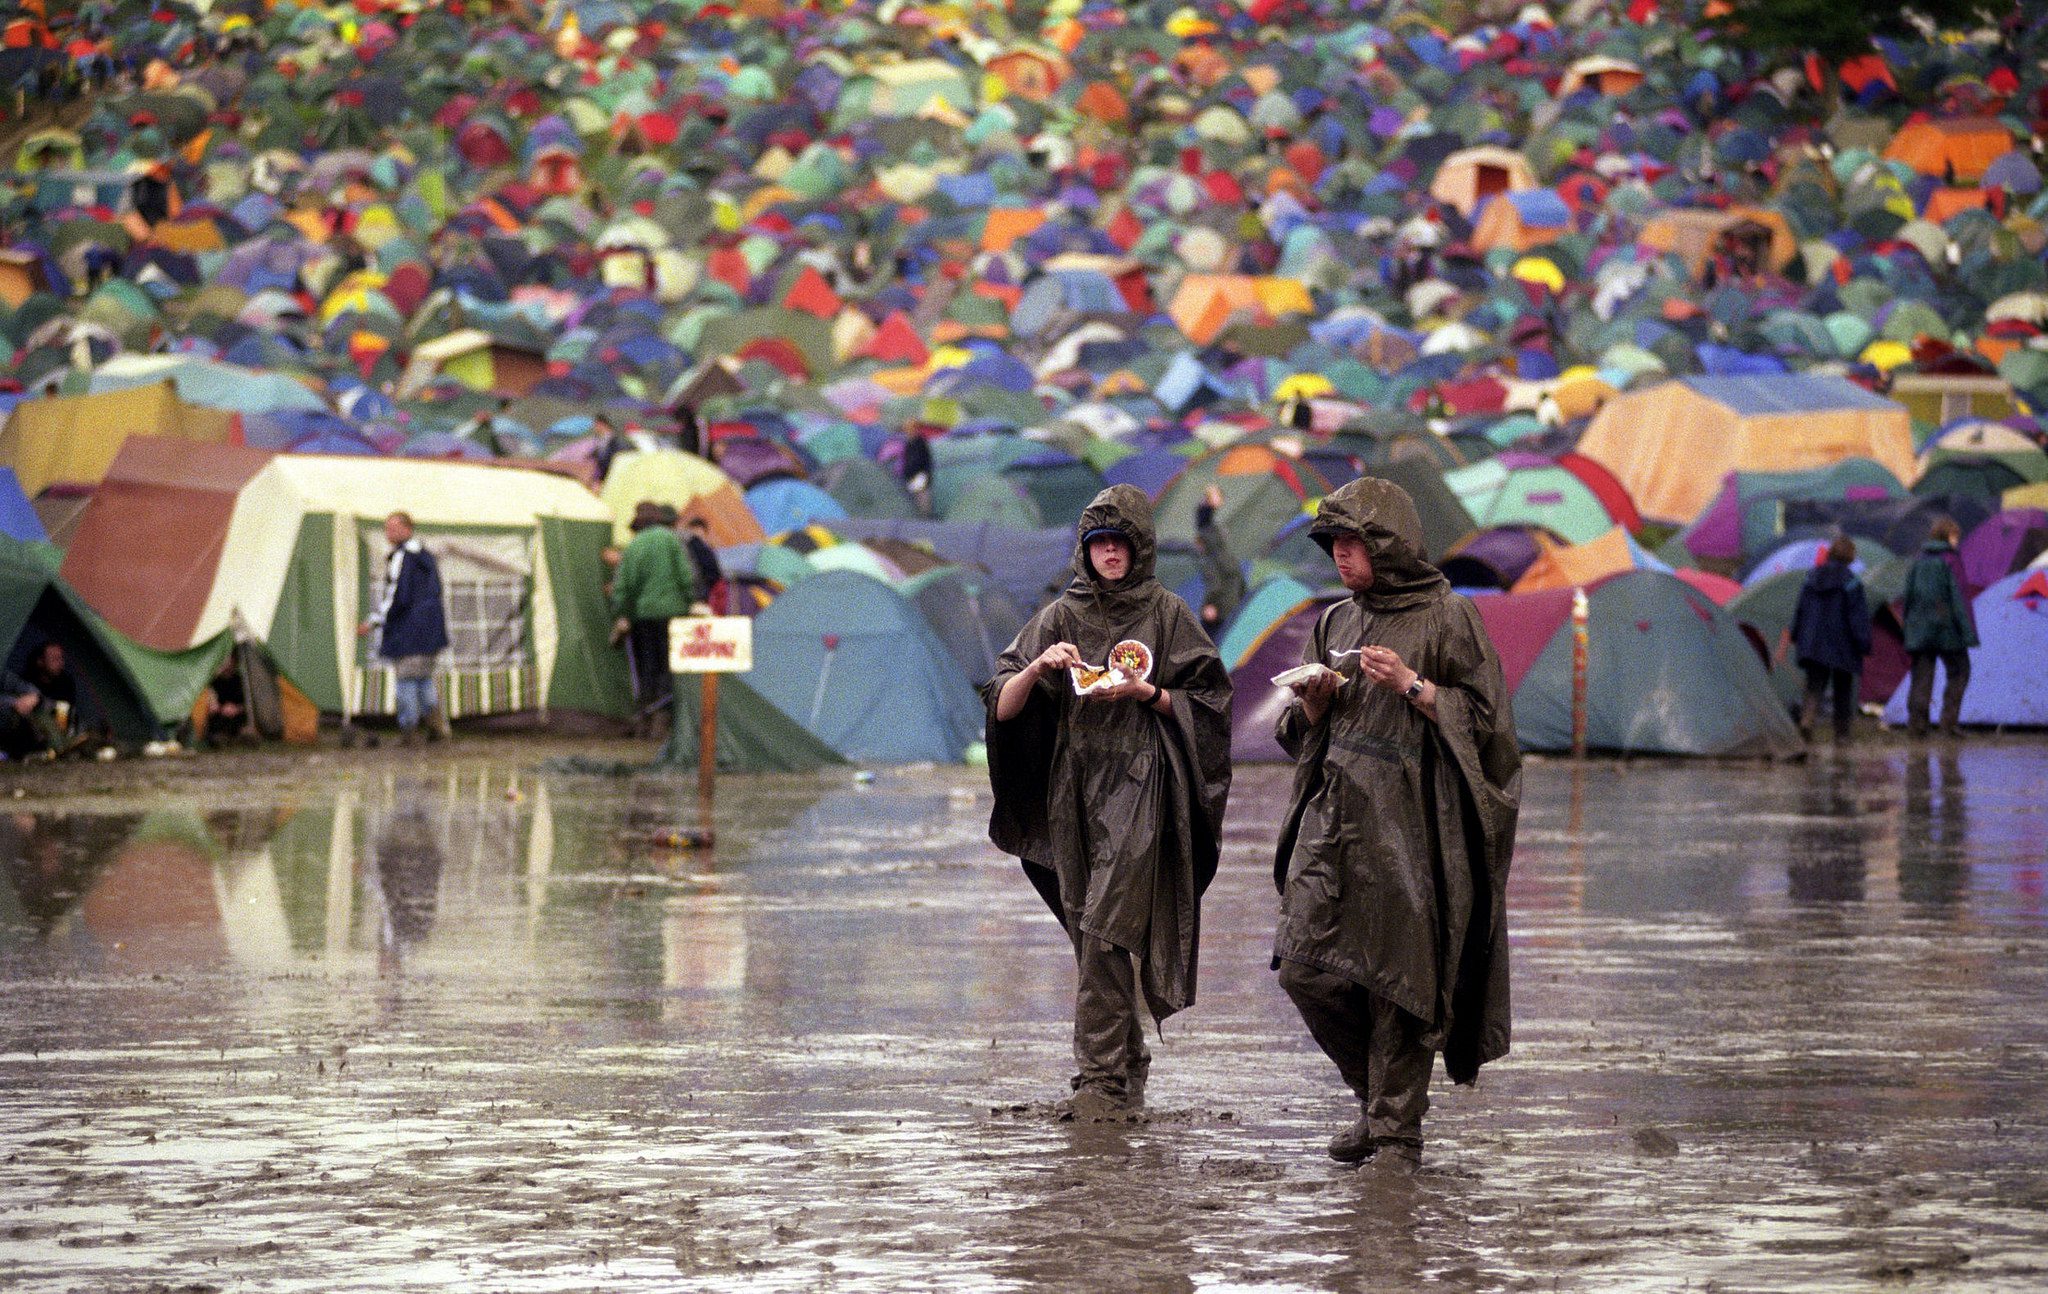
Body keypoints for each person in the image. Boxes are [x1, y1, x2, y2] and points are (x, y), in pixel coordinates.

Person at [1271, 477, 1521, 1175]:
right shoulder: (1335, 621)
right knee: (1305, 968)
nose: (1341, 559)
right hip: (1336, 816)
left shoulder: (1450, 618)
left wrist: (1415, 687)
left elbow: (1493, 729)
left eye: (1352, 545)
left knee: (1399, 981)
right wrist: (1314, 706)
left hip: (1418, 820)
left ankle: (1395, 1136)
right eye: (1333, 546)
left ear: (1388, 545)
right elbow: (1297, 733)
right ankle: (1372, 1097)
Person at [983, 485, 1232, 1120]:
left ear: (1139, 547)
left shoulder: (1168, 613)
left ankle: (1098, 1081)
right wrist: (1038, 667)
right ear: (1086, 551)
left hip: (1141, 785)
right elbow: (1001, 704)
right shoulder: (1061, 615)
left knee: (1104, 924)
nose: (1110, 553)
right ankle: (1127, 1055)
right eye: (1099, 543)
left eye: (1120, 542)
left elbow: (1209, 705)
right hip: (1071, 786)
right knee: (1085, 925)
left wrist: (1147, 694)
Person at [357, 512, 451, 744]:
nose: (388, 533)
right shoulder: (425, 555)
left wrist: (374, 621)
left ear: (408, 529)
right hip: (431, 629)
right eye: (386, 528)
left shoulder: (402, 557)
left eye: (393, 528)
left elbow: (396, 595)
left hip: (408, 630)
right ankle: (436, 727)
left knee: (407, 680)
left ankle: (408, 730)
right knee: (424, 679)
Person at [611, 502, 696, 736]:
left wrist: (623, 613)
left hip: (643, 617)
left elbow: (624, 586)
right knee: (670, 666)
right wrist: (690, 601)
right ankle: (665, 719)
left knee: (647, 667)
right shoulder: (671, 541)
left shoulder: (633, 546)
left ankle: (645, 719)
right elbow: (686, 575)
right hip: (674, 614)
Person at [1788, 536, 1872, 743]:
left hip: (1813, 641)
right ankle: (1842, 734)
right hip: (1842, 643)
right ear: (1850, 557)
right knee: (1843, 688)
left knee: (1814, 685)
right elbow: (1857, 616)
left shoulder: (1811, 577)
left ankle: (1806, 722)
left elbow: (1801, 608)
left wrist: (1796, 633)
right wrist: (1864, 643)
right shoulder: (1851, 582)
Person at [1901, 517, 1978, 737]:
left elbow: (1908, 597)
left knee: (1921, 678)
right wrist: (1968, 632)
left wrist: (1908, 626)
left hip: (1920, 629)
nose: (1957, 541)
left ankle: (1916, 727)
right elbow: (1959, 599)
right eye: (1955, 536)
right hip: (1947, 630)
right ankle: (1948, 724)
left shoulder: (1918, 561)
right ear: (1948, 536)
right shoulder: (1950, 561)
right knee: (1960, 671)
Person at [1193, 486, 1246, 633]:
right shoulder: (1228, 557)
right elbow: (1242, 584)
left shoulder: (1210, 559)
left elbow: (1215, 585)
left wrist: (1209, 605)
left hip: (1219, 614)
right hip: (1234, 612)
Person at [682, 516, 724, 612]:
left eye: (699, 537)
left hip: (705, 598)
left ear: (705, 535)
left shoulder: (710, 553)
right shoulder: (684, 552)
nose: (697, 542)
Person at [899, 429, 934, 518]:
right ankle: (923, 515)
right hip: (913, 474)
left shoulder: (919, 443)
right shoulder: (909, 444)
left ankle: (925, 515)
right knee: (918, 495)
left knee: (921, 495)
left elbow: (923, 460)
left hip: (920, 474)